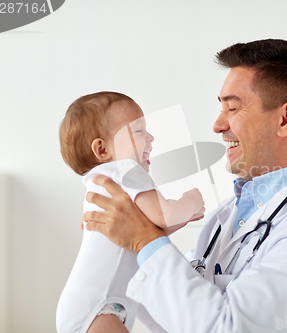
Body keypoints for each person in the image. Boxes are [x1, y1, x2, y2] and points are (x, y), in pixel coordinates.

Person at [83, 39, 287, 332]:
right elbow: (182, 320)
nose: (217, 125)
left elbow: (228, 328)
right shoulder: (229, 214)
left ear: (286, 119)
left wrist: (143, 240)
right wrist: (117, 244)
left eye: (232, 108)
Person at [56, 92, 205, 333]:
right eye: (138, 131)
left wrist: (183, 217)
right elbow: (165, 215)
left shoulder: (101, 182)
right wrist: (191, 200)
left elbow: (150, 231)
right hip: (100, 306)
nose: (151, 137)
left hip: (90, 303)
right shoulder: (125, 169)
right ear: (102, 149)